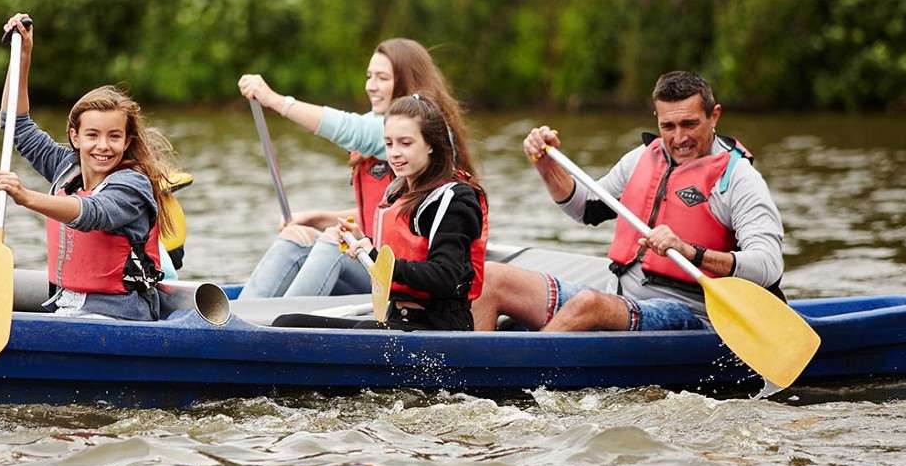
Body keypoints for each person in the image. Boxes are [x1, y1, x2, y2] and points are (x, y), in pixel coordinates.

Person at [471, 70, 784, 332]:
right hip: (619, 297)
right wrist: (546, 164)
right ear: (657, 119)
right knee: (491, 279)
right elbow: (586, 209)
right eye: (668, 126)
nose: (679, 138)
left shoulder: (739, 179)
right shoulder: (642, 159)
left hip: (691, 314)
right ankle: (469, 383)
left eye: (690, 124)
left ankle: (514, 380)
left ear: (714, 116)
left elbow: (768, 266)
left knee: (588, 305)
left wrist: (690, 251)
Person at [237, 38, 473, 299]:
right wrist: (317, 217)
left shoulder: (422, 129)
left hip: (406, 276)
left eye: (382, 78)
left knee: (330, 245)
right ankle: (236, 320)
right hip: (376, 260)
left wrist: (275, 101)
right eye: (369, 76)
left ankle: (275, 328)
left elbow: (349, 129)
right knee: (296, 237)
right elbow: (386, 216)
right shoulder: (392, 137)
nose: (371, 86)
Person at [0, 14, 176, 321]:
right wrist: (23, 56)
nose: (103, 146)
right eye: (92, 135)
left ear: (127, 140)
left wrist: (26, 197)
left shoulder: (132, 186)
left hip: (119, 314)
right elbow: (15, 124)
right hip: (67, 305)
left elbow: (91, 213)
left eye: (114, 136)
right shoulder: (67, 168)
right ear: (75, 137)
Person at [273, 93, 488, 331]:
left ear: (431, 145)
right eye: (388, 143)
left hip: (437, 327)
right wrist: (362, 241)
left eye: (405, 143)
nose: (394, 153)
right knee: (288, 323)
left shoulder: (455, 199)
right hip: (397, 320)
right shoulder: (397, 192)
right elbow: (396, 257)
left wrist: (376, 258)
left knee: (322, 329)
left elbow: (447, 276)